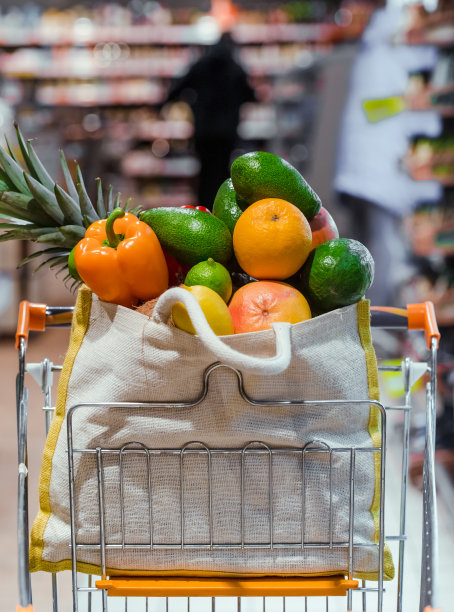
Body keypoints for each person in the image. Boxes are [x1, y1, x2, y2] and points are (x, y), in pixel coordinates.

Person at [333, 3, 442, 306]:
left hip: (368, 172)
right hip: (382, 174)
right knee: (384, 265)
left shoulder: (383, 35)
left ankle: (374, 338)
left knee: (369, 263)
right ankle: (383, 342)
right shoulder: (403, 37)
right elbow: (407, 105)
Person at [165, 32, 257, 209]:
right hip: (227, 132)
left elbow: (178, 88)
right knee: (223, 171)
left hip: (203, 130)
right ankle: (221, 209)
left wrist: (166, 104)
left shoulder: (201, 64)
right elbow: (250, 96)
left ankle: (203, 208)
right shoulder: (235, 67)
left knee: (204, 172)